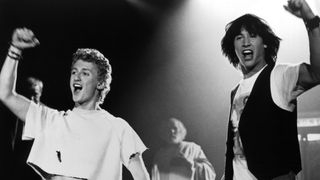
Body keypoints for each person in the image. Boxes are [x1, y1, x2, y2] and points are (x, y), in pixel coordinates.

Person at [0, 28, 150, 180]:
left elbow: (142, 177)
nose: (76, 77)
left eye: (85, 73)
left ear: (100, 83)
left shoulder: (117, 127)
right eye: (74, 72)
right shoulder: (53, 120)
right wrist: (15, 49)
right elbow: (5, 94)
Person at [220, 0, 320, 179]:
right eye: (239, 37)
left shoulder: (280, 75)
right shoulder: (235, 92)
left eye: (252, 35)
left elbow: (317, 73)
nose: (246, 42)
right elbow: (235, 150)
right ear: (233, 47)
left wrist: (310, 20)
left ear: (265, 43)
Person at [151, 117, 216, 180]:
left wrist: (190, 164)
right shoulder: (159, 155)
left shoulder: (192, 148)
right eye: (168, 129)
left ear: (181, 131)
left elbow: (210, 172)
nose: (171, 131)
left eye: (175, 128)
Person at [11, 77, 43, 180]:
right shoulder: (11, 116)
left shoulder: (46, 119)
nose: (31, 100)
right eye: (28, 95)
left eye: (35, 95)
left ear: (40, 95)